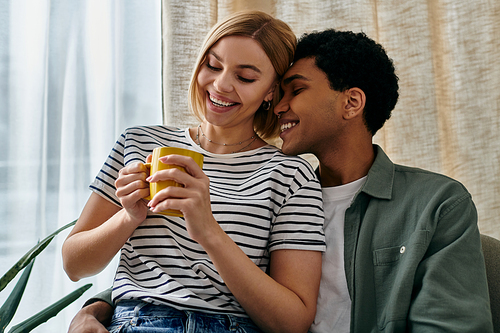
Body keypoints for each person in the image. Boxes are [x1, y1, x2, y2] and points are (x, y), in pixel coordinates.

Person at [68, 29, 495, 333]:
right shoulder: (291, 184)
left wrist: (206, 231)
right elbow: (184, 271)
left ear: (351, 102)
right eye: (214, 66)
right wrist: (100, 306)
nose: (280, 105)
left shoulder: (434, 203)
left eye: (293, 90)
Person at [62, 11, 326, 333]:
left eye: (245, 77)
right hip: (140, 322)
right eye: (213, 66)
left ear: (271, 91)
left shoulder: (291, 173)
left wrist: (207, 230)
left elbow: (292, 323)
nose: (220, 84)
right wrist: (129, 216)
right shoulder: (140, 143)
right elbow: (74, 264)